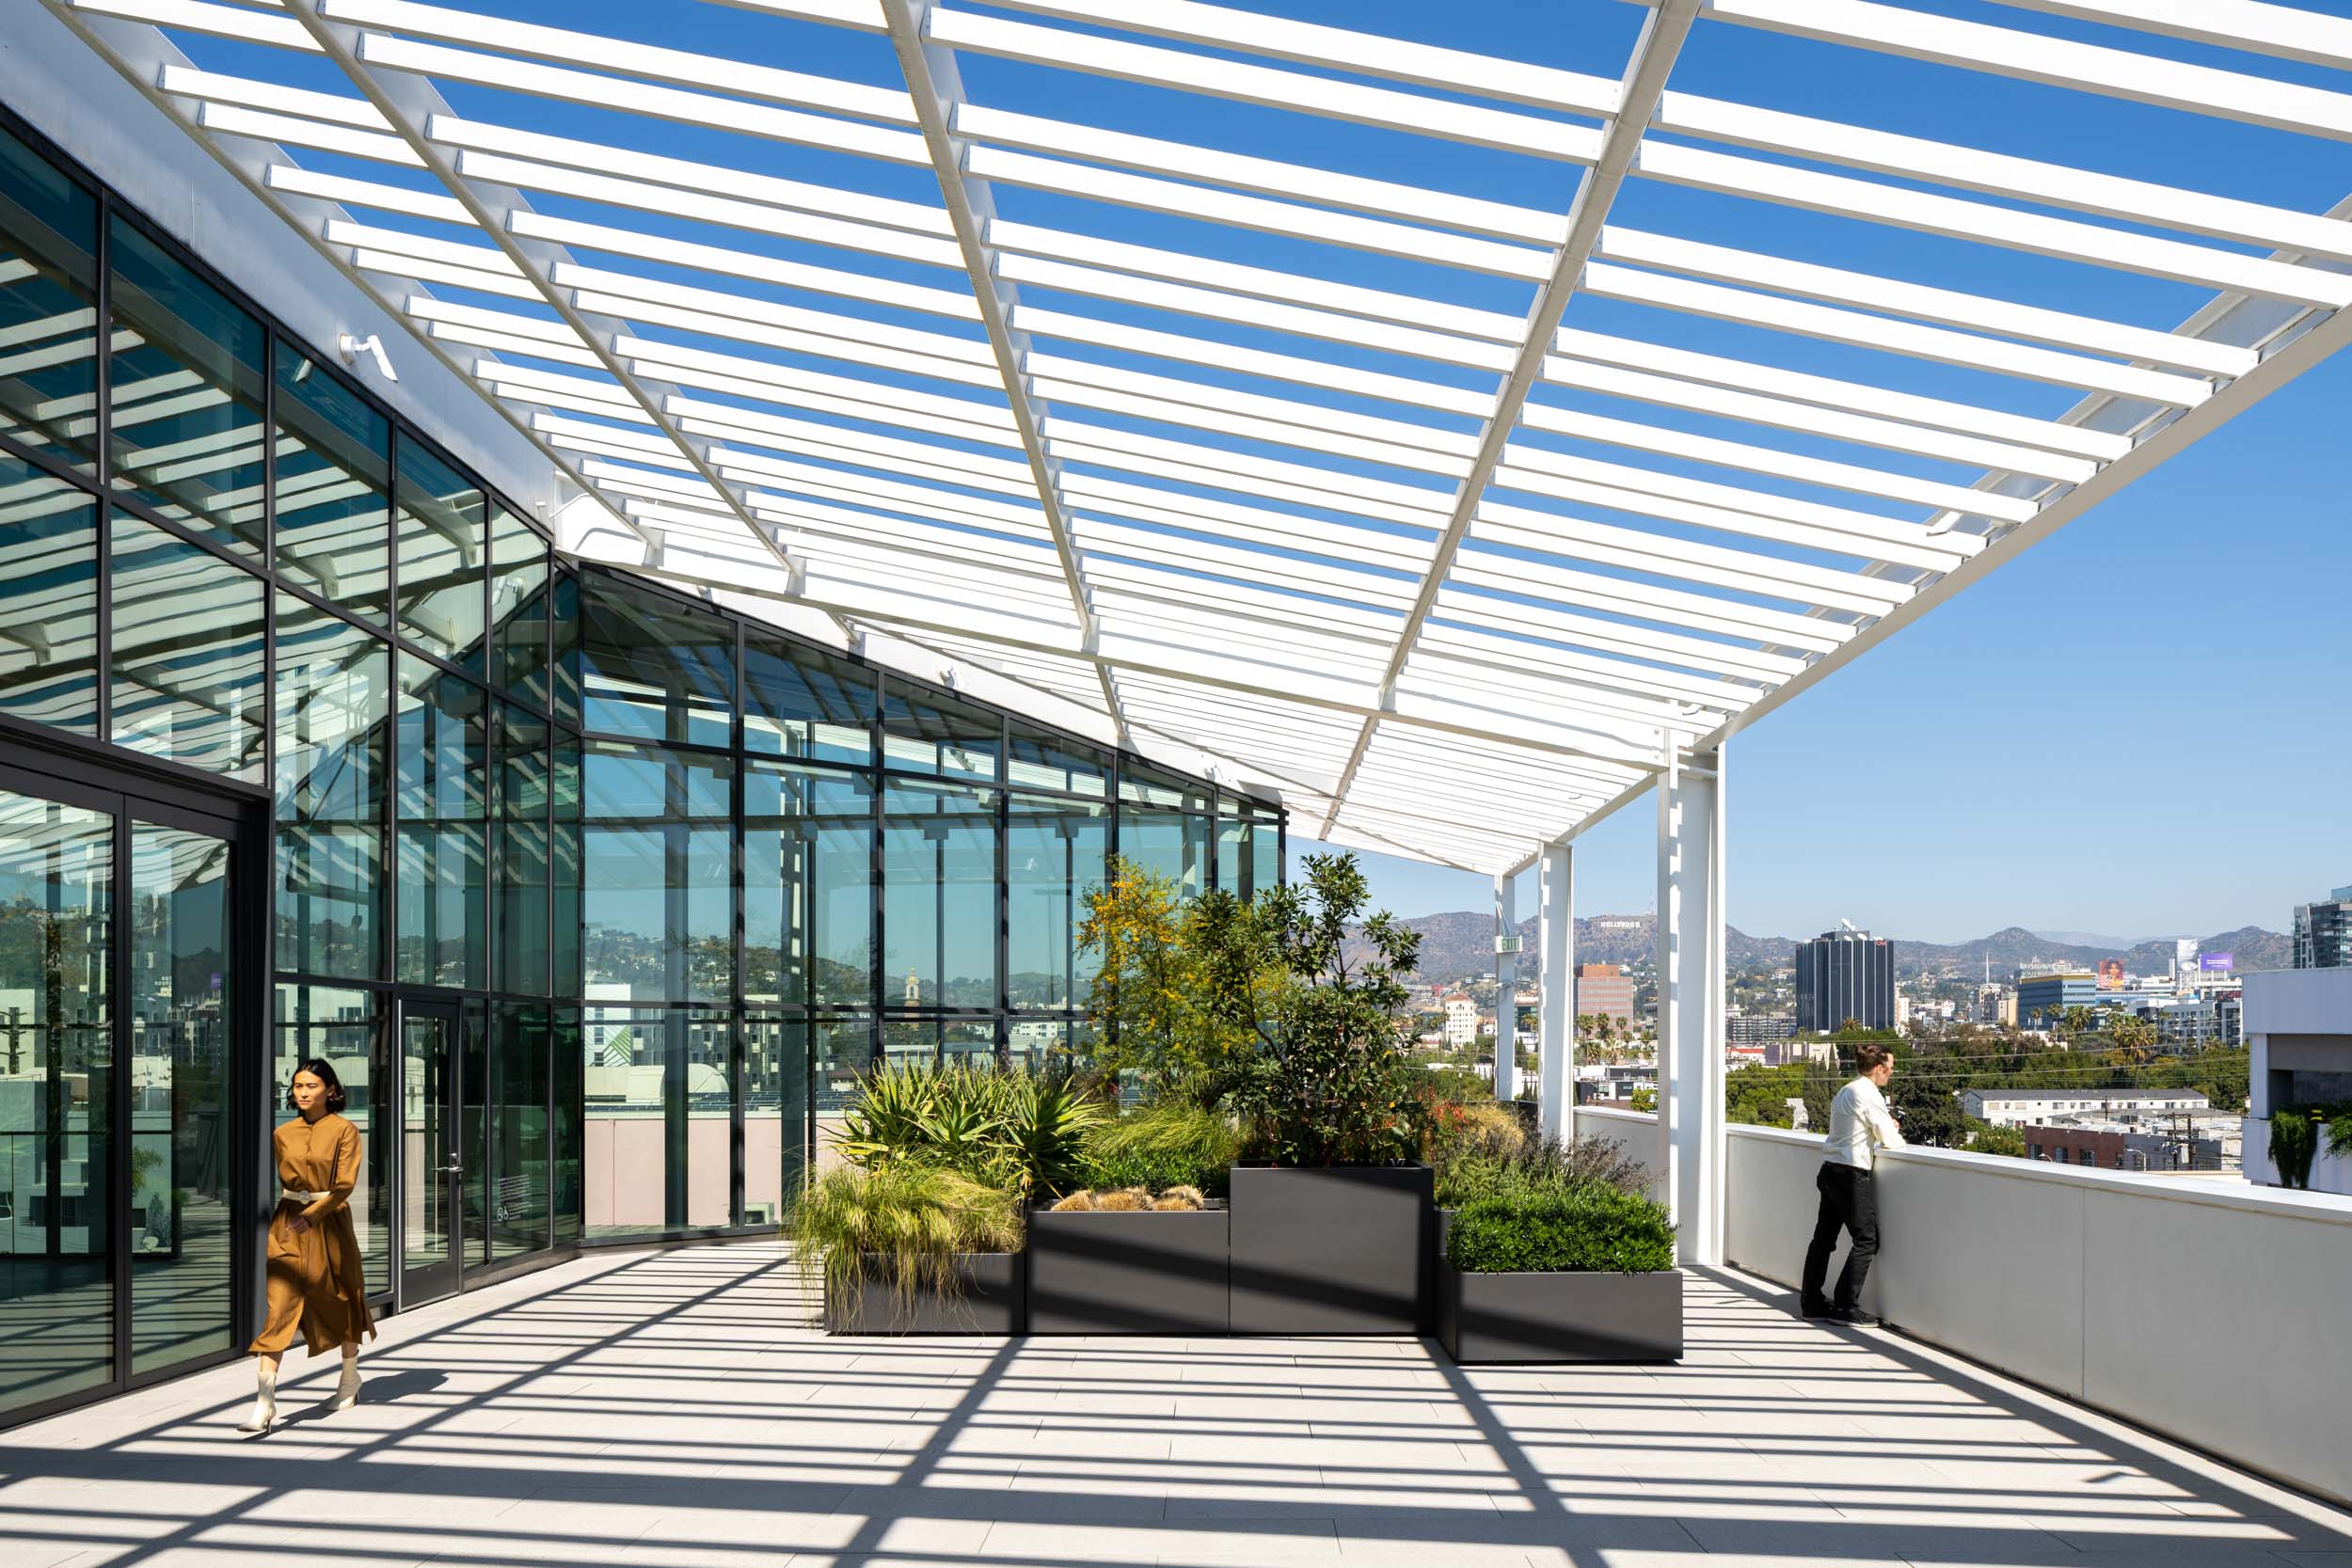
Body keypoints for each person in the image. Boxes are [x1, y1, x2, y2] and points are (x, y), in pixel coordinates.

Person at [239, 1060, 374, 1433]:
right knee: (278, 1307)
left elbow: (344, 1186)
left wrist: (313, 1215)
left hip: (330, 1223)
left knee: (341, 1297)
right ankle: (264, 1403)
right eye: (297, 1085)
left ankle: (350, 1378)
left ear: (330, 1090)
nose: (301, 1092)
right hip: (287, 1224)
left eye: (311, 1085)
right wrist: (295, 1216)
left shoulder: (345, 1131)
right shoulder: (283, 1133)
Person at [1799, 1042, 1906, 1326]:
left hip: (1830, 1171)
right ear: (1880, 1068)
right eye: (1890, 1069)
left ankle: (1811, 1302)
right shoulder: (1869, 1094)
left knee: (1823, 1239)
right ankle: (1846, 1304)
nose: (1891, 1075)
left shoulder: (1847, 1090)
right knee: (1867, 1240)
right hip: (1850, 1174)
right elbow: (1890, 1140)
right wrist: (1891, 1128)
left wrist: (1883, 1125)